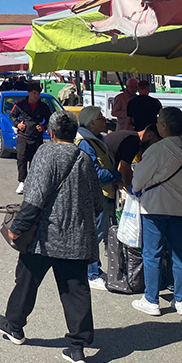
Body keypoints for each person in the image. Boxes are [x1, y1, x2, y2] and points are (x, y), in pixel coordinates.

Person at [0, 111, 102, 363]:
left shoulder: (46, 153)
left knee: (27, 280)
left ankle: (14, 326)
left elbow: (34, 198)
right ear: (74, 133)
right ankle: (77, 349)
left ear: (50, 132)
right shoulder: (84, 158)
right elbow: (97, 202)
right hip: (76, 238)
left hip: (44, 236)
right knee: (76, 291)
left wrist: (17, 228)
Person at [130, 107, 182, 317]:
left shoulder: (158, 149)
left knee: (152, 253)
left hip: (155, 206)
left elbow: (139, 178)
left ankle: (151, 299)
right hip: (179, 207)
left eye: (158, 121)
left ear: (164, 126)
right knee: (179, 253)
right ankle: (181, 300)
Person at [75, 106, 122, 290]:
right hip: (96, 194)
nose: (105, 120)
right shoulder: (86, 142)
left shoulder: (97, 139)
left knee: (99, 231)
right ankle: (90, 272)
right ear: (92, 122)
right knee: (95, 233)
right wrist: (117, 176)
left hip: (103, 192)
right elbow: (93, 172)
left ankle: (95, 268)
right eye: (101, 118)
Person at [11, 83, 52, 194]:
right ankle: (22, 181)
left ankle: (34, 182)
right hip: (23, 136)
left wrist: (43, 126)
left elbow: (50, 119)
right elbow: (12, 115)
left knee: (35, 160)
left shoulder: (43, 106)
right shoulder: (21, 104)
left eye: (38, 93)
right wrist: (17, 124)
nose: (36, 96)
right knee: (21, 158)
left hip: (36, 137)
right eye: (34, 93)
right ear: (29, 93)